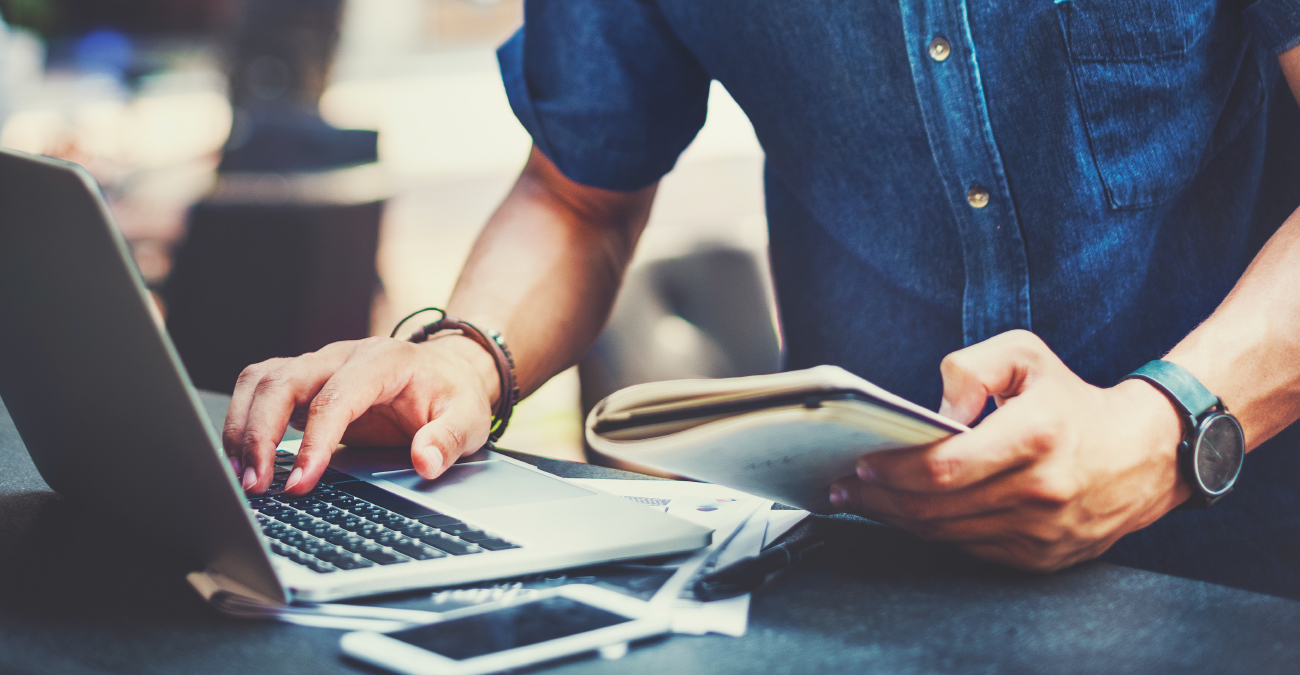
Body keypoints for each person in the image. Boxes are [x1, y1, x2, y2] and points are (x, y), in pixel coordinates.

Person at [225, 0, 1300, 597]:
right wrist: (462, 357)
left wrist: (1170, 429)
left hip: (1249, 584)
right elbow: (577, 195)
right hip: (866, 588)